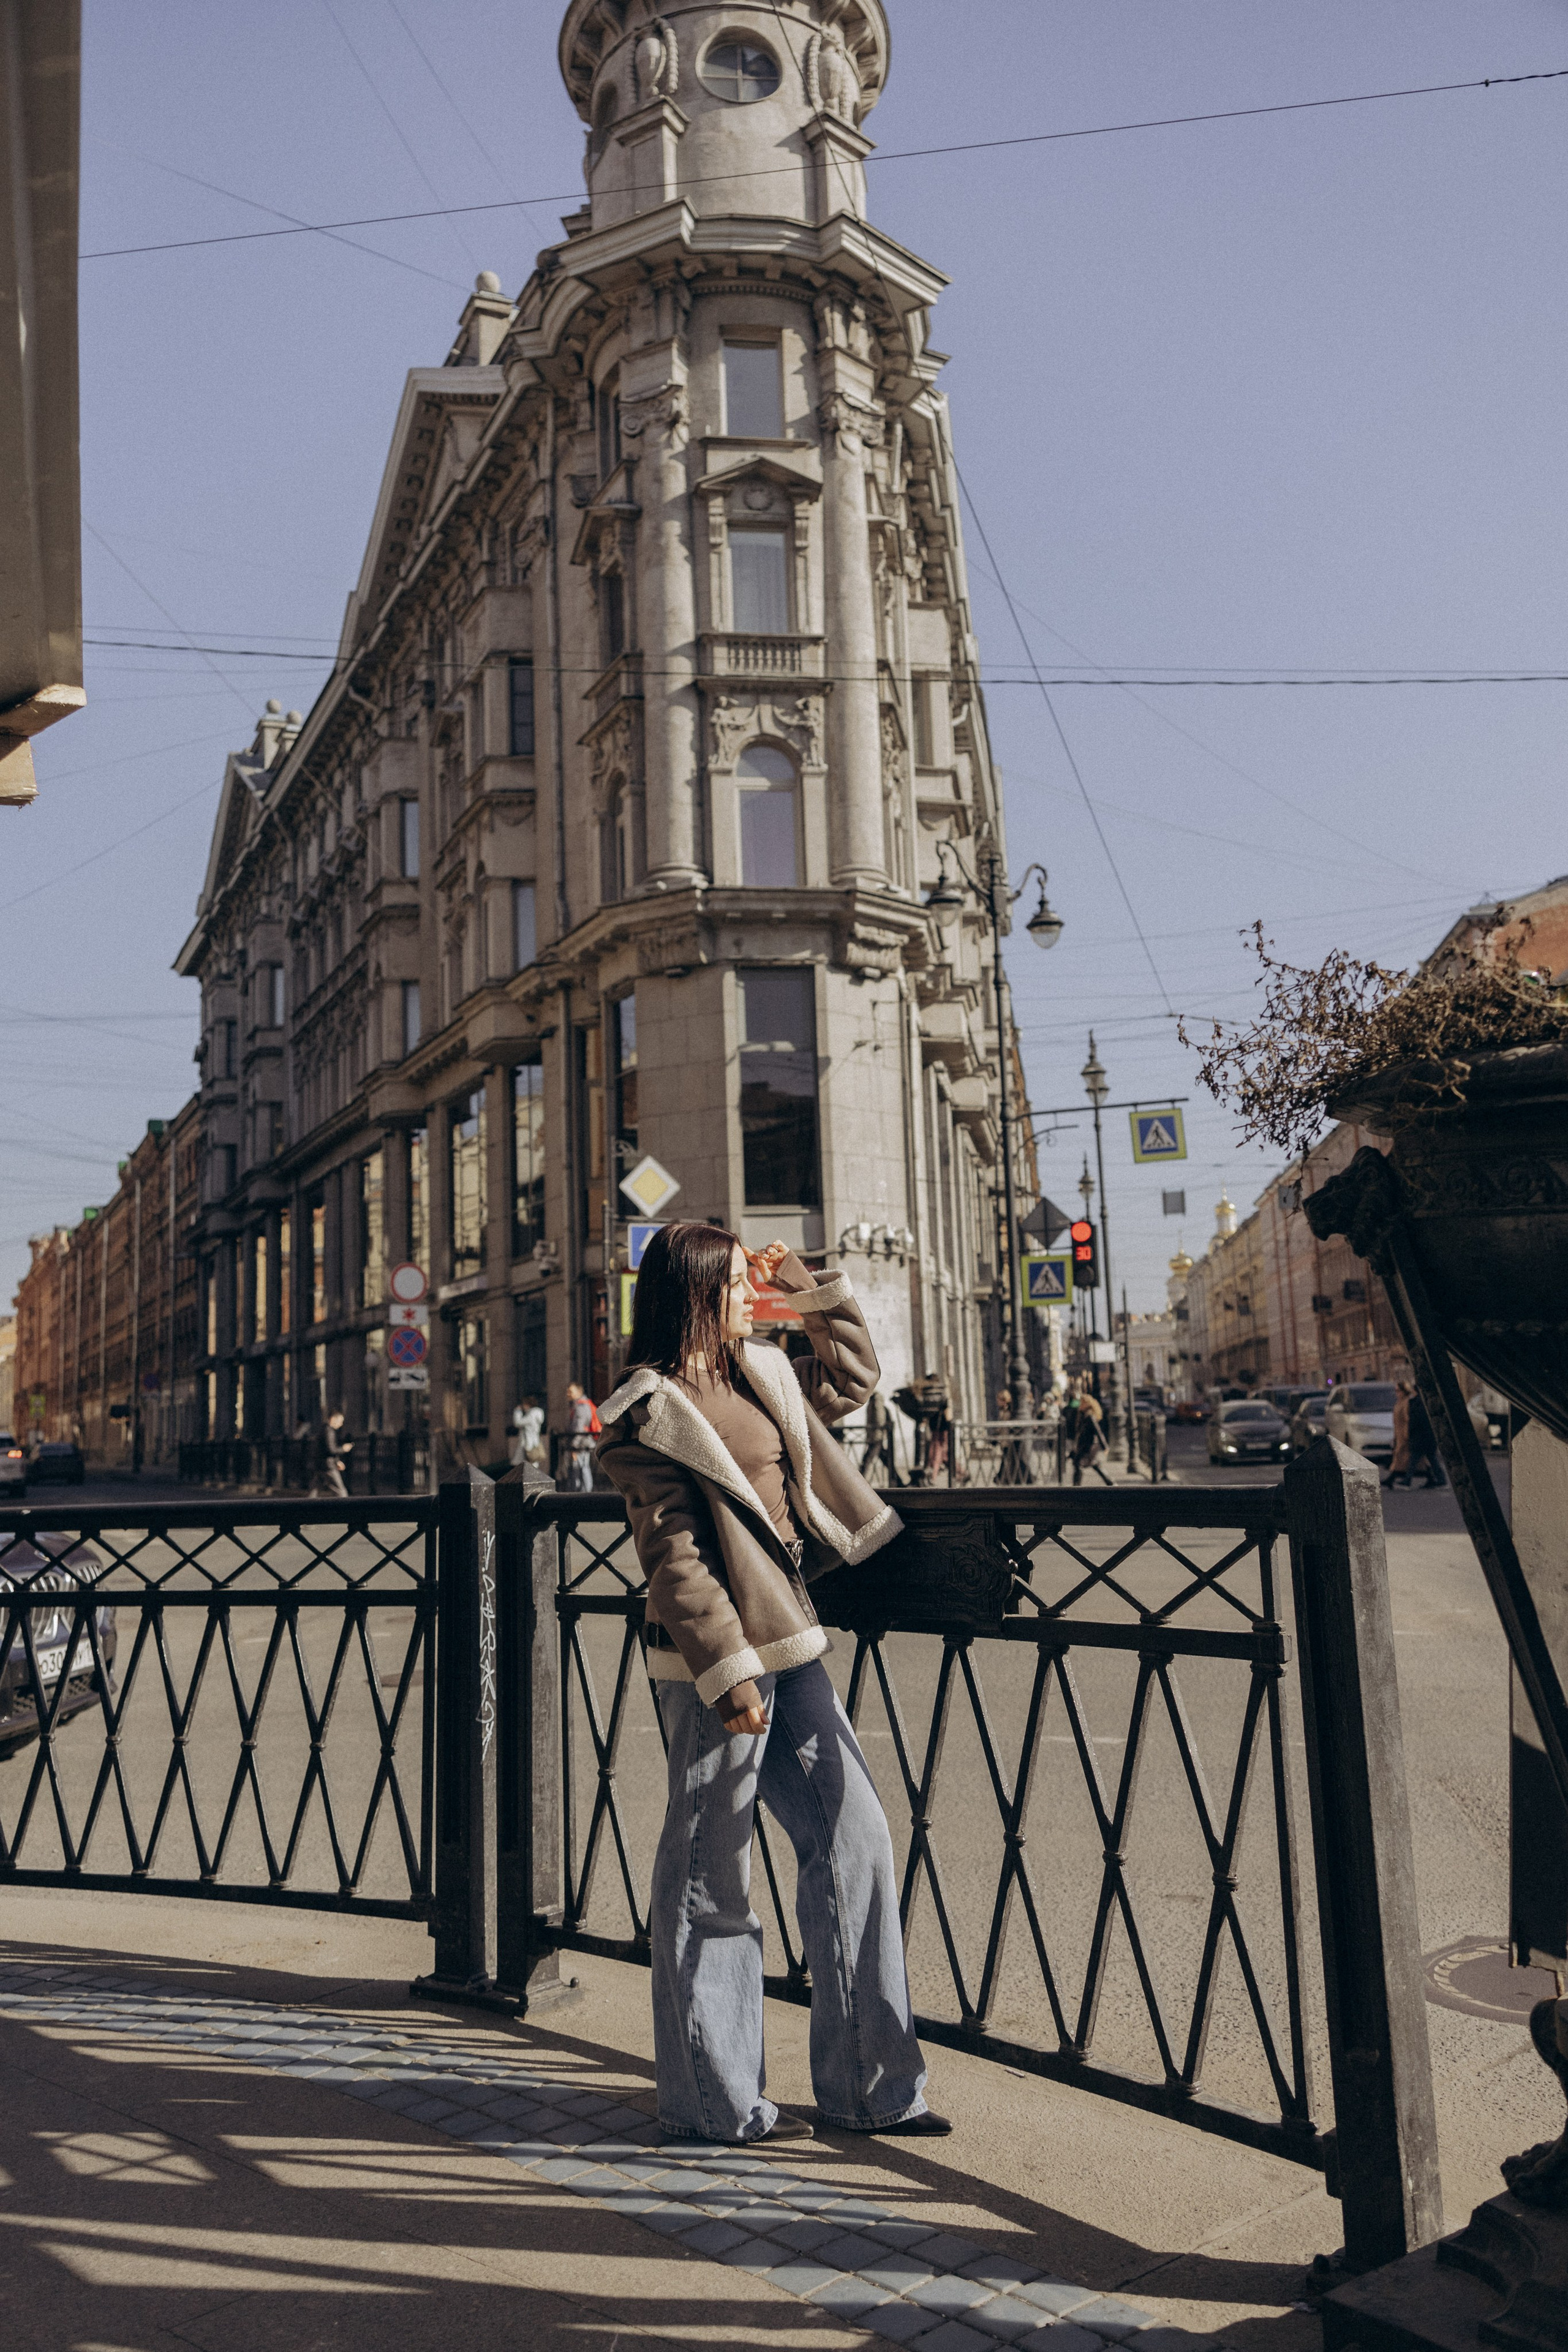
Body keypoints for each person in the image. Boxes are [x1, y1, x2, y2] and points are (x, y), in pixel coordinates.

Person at [596, 1223, 946, 2146]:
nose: (752, 1296)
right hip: (720, 1665)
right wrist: (726, 1673)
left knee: (856, 1836)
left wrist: (805, 1283)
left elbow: (855, 1377)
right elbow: (673, 1556)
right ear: (697, 1292)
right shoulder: (646, 1408)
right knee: (715, 1868)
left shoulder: (764, 1369)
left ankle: (871, 2090)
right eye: (739, 1284)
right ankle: (715, 2102)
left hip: (791, 1638)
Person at [1070, 1385, 1112, 1488]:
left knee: (1079, 1464)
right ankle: (1110, 1482)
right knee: (1093, 1464)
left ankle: (1076, 1486)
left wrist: (1105, 1446)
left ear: (1087, 1404)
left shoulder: (1090, 1417)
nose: (1080, 1404)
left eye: (1082, 1402)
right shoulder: (1082, 1415)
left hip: (1089, 1445)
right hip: (1084, 1444)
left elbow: (1098, 1432)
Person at [1404, 1387, 1447, 1488]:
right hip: (1428, 1437)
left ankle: (1408, 1479)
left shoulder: (1418, 1404)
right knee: (1431, 1459)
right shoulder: (1422, 1402)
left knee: (1415, 1459)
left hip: (1421, 1437)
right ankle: (1439, 1479)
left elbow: (1416, 1421)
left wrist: (1411, 1432)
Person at [564, 1381, 598, 1492]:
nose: (568, 1394)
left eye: (571, 1391)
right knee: (582, 1469)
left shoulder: (581, 1407)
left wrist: (574, 1447)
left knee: (580, 1469)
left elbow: (579, 1428)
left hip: (580, 1444)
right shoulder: (580, 1405)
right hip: (582, 1443)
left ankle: (584, 1494)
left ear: (579, 1392)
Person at [859, 1387, 895, 1485]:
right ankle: (896, 1480)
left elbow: (879, 1416)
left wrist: (877, 1429)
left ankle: (861, 1482)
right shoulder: (873, 1399)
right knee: (884, 1459)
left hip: (876, 1436)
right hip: (874, 1435)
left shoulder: (877, 1399)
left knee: (868, 1460)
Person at [1383, 1382, 1413, 1488]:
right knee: (1405, 1458)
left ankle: (1392, 1478)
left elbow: (1406, 1419)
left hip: (1404, 1434)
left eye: (1398, 1391)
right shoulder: (1399, 1403)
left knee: (1401, 1457)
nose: (1397, 1393)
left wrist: (1406, 1434)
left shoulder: (1406, 1403)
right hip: (1399, 1434)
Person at [322, 1409, 352, 1499]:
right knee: (341, 1492)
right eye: (340, 1421)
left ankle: (302, 1510)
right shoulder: (329, 1431)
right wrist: (344, 1449)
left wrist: (337, 1461)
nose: (341, 1424)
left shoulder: (324, 1429)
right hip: (328, 1466)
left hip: (321, 1465)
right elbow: (331, 1449)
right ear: (333, 1419)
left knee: (314, 1493)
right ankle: (344, 1510)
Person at [511, 1395, 546, 1468]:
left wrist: (518, 1411)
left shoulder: (532, 1414)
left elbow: (518, 1423)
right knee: (531, 1465)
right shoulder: (535, 1414)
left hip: (528, 1444)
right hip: (533, 1443)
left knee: (527, 1466)